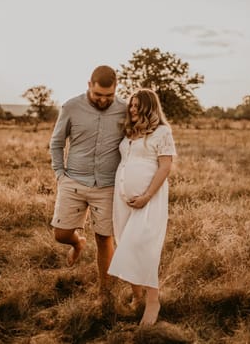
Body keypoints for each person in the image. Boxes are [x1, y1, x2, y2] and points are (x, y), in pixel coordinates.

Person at [49, 65, 127, 300]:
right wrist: (60, 174)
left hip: (107, 186)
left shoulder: (125, 109)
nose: (103, 100)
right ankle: (77, 243)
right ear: (89, 85)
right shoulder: (71, 107)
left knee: (104, 238)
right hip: (73, 181)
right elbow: (57, 142)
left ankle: (105, 293)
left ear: (116, 89)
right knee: (60, 234)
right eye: (98, 95)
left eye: (109, 96)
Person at [107, 88, 177, 325]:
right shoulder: (129, 133)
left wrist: (146, 196)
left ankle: (153, 300)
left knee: (143, 247)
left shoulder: (162, 132)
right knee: (125, 243)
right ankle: (137, 297)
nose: (132, 109)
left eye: (137, 105)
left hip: (149, 200)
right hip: (123, 199)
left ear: (149, 107)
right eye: (131, 105)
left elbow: (165, 167)